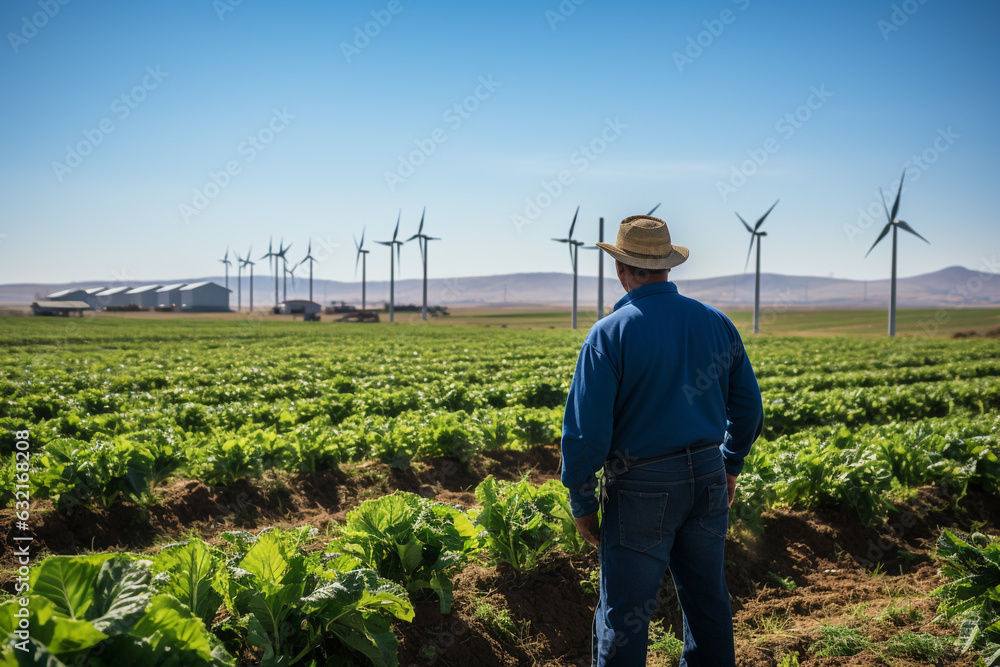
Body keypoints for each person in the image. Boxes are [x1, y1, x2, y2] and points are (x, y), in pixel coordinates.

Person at [560, 214, 764, 666]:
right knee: (708, 603)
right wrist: (730, 465)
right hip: (708, 478)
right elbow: (749, 410)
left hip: (641, 488)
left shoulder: (609, 335)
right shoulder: (717, 323)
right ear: (668, 267)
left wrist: (582, 502)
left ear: (620, 268)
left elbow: (583, 435)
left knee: (625, 615)